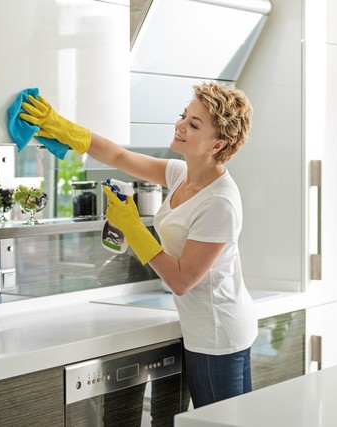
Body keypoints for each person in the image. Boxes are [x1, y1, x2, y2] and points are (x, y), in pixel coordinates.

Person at [20, 81, 258, 408]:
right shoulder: (181, 174)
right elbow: (119, 156)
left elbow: (181, 281)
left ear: (217, 144)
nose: (180, 126)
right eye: (183, 116)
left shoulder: (219, 202)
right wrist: (65, 129)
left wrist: (133, 226)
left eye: (194, 124)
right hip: (206, 326)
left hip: (217, 334)